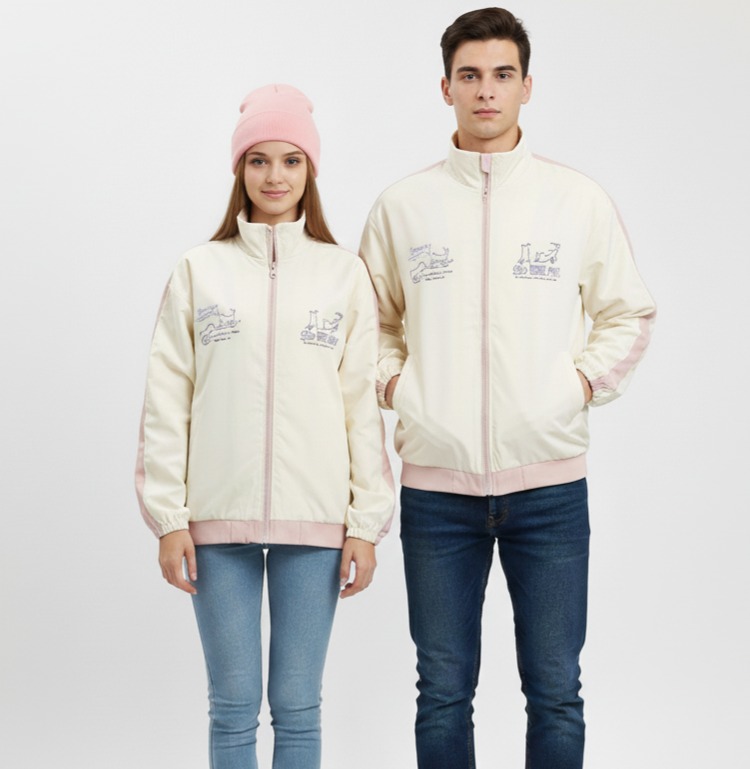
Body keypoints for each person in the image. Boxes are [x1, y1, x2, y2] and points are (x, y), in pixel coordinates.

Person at [359, 8, 656, 769]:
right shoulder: (403, 207)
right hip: (436, 494)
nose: (485, 91)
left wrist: (577, 384)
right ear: (445, 88)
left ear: (527, 86)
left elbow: (627, 312)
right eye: (469, 76)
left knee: (555, 689)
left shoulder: (574, 200)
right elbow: (369, 324)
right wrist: (401, 386)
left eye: (501, 75)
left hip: (549, 491)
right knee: (441, 691)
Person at [135, 83, 393, 769]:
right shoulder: (199, 271)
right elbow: (167, 400)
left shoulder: (344, 275)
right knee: (233, 705)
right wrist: (169, 518)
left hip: (316, 519)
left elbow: (360, 408)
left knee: (298, 706)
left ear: (310, 170)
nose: (274, 176)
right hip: (215, 520)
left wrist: (366, 523)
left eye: (290, 160)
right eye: (258, 160)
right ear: (238, 169)